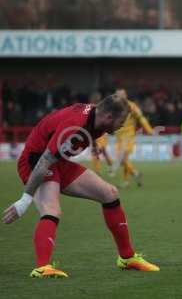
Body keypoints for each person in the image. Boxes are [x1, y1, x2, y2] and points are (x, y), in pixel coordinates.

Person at [2, 94, 160, 278]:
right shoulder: (74, 126)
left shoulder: (97, 115)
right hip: (36, 161)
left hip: (58, 161)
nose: (122, 125)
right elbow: (44, 161)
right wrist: (25, 199)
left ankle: (127, 258)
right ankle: (42, 268)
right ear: (109, 117)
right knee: (52, 209)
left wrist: (92, 143)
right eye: (121, 121)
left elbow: (91, 119)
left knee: (109, 193)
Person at [113, 89, 154, 187]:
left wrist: (149, 130)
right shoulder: (114, 107)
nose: (120, 96)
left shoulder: (132, 106)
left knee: (122, 159)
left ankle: (134, 175)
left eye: (122, 94)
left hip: (128, 137)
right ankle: (133, 177)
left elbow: (141, 118)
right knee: (124, 160)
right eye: (118, 95)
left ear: (125, 95)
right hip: (119, 137)